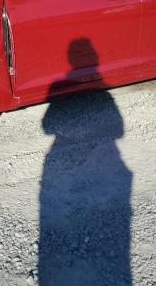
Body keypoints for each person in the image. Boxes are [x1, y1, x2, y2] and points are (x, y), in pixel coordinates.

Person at [38, 38, 132, 285]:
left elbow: (47, 126)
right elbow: (119, 130)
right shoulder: (105, 93)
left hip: (58, 161)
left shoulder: (59, 83)